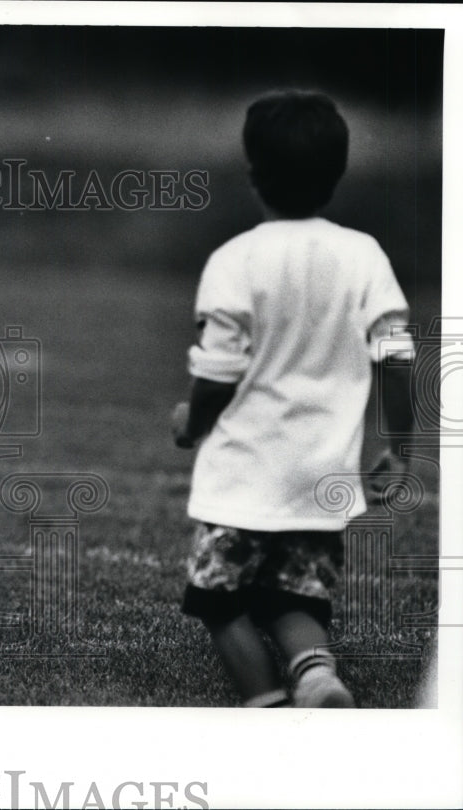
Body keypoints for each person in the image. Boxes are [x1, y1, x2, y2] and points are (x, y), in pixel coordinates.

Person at [171, 90, 415, 707]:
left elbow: (219, 374)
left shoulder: (235, 260)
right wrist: (401, 447)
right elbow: (396, 355)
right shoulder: (364, 255)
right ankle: (315, 675)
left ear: (253, 174)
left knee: (219, 599)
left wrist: (191, 423)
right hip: (322, 472)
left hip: (245, 473)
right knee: (294, 593)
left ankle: (265, 701)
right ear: (336, 175)